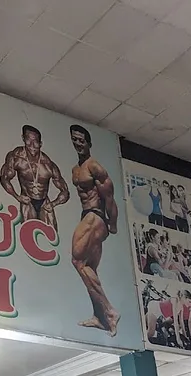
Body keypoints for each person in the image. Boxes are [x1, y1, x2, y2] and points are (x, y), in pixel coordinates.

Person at [69, 124, 121, 336]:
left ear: (89, 143)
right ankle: (100, 317)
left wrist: (113, 224)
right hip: (87, 215)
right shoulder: (75, 169)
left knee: (77, 261)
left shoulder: (94, 167)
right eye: (74, 140)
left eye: (81, 140)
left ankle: (109, 310)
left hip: (96, 216)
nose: (78, 143)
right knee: (89, 268)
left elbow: (109, 198)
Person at [0, 125, 69, 232]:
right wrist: (17, 197)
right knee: (28, 234)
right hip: (27, 200)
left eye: (35, 142)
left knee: (52, 234)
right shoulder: (16, 157)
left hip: (44, 202)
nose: (32, 145)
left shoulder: (48, 164)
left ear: (40, 144)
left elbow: (65, 191)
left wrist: (54, 203)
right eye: (29, 140)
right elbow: (4, 178)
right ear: (23, 138)